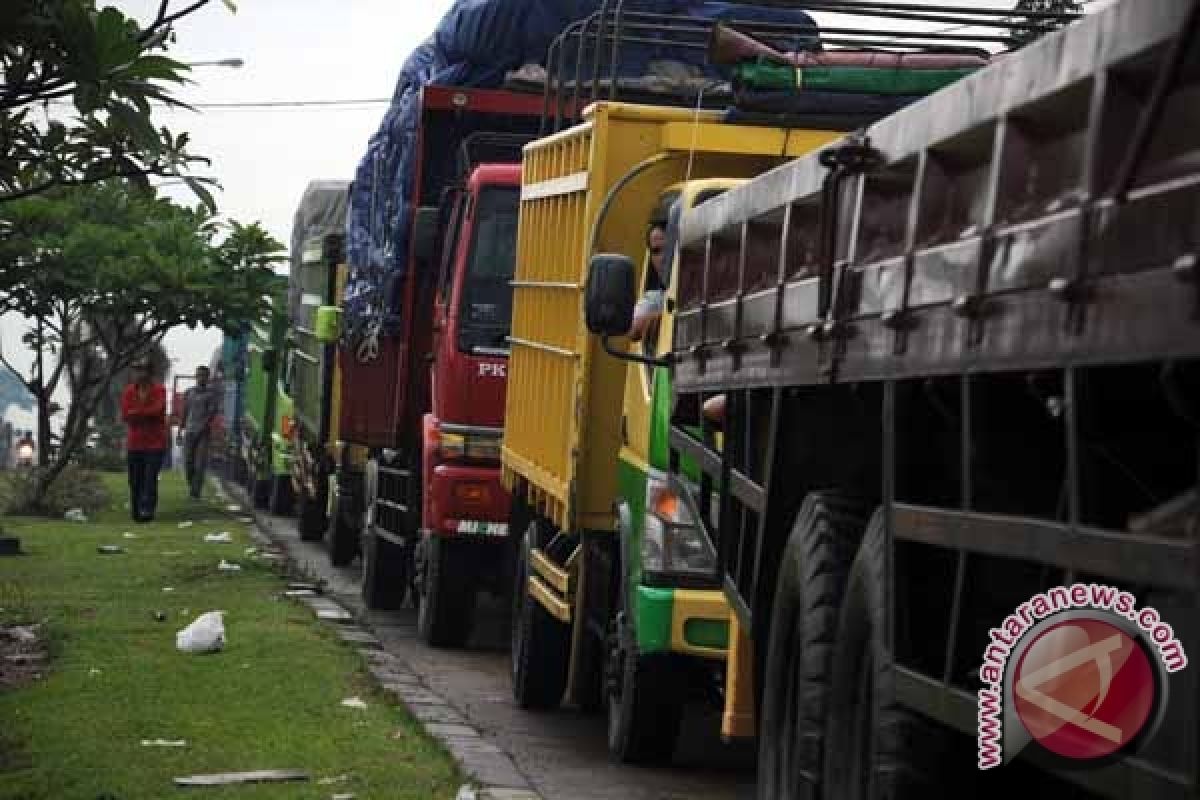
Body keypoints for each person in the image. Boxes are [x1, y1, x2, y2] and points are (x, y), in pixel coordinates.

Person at [120, 359, 167, 522]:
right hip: (135, 443)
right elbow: (126, 415)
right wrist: (143, 413)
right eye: (136, 370)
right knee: (135, 480)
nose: (139, 374)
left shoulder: (159, 390)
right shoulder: (128, 392)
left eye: (143, 370)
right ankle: (136, 510)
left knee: (150, 478)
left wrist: (137, 413)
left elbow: (157, 410)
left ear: (149, 373)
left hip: (155, 443)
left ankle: (147, 510)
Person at [177, 365, 220, 500]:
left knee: (199, 463)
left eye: (203, 376)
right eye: (198, 375)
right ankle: (192, 484)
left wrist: (202, 427)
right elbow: (184, 412)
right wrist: (179, 431)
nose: (200, 378)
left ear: (207, 378)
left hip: (203, 433)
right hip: (189, 431)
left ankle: (195, 492)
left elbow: (211, 413)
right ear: (195, 376)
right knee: (188, 462)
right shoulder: (189, 392)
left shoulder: (211, 394)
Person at [629, 221, 667, 343]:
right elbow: (633, 328)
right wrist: (663, 320)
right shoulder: (657, 298)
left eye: (669, 249)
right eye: (656, 251)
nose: (662, 258)